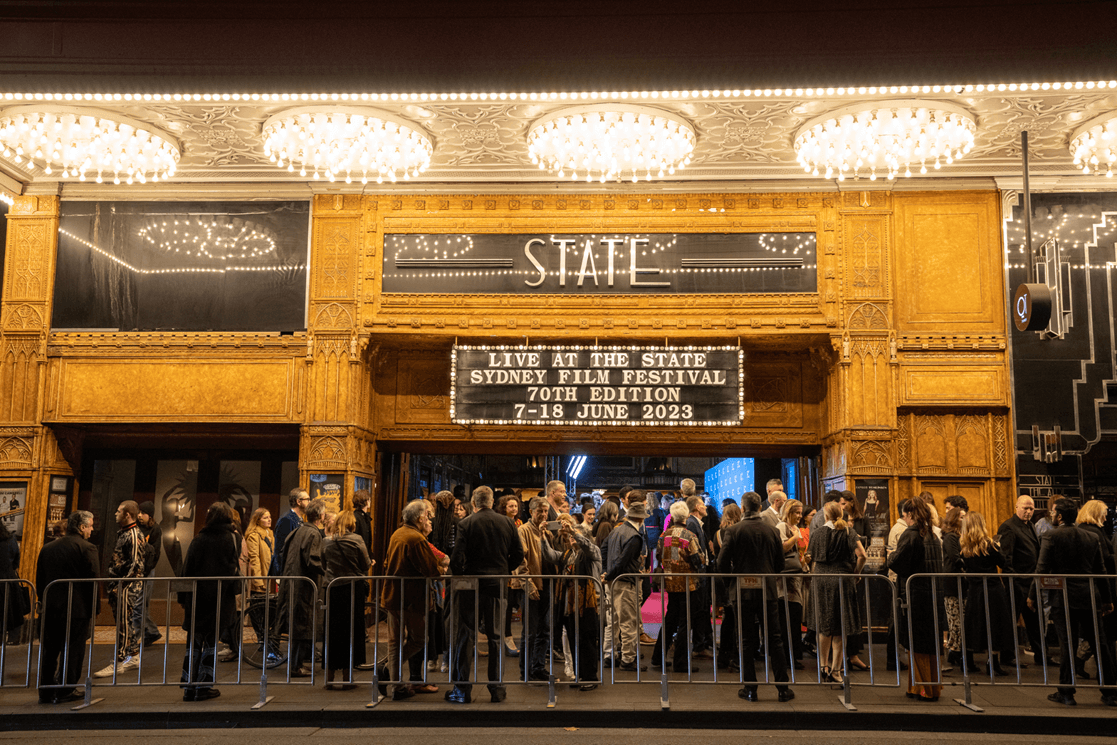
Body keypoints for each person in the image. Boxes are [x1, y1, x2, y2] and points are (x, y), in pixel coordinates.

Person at [445, 486, 525, 704]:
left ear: (474, 503)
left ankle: (462, 690)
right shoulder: (507, 523)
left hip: (471, 584)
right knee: (496, 637)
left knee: (466, 635)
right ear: (491, 502)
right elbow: (519, 553)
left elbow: (457, 557)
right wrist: (504, 570)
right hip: (498, 584)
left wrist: (463, 575)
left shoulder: (466, 523)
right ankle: (497, 689)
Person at [1032, 498, 1116, 706]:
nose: (1051, 516)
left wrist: (1032, 596)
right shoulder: (1090, 536)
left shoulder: (1050, 536)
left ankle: (1066, 692)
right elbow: (1100, 571)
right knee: (1100, 644)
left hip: (1063, 598)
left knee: (1067, 644)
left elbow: (1041, 570)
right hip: (1090, 596)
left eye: (1053, 513)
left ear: (1060, 516)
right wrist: (1107, 600)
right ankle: (1110, 692)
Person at [717, 491, 794, 703]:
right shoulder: (772, 530)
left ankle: (750, 688)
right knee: (775, 639)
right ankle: (783, 688)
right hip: (768, 591)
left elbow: (721, 564)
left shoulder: (733, 530)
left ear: (742, 509)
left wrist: (731, 581)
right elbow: (780, 564)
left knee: (746, 639)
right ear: (759, 508)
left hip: (742, 592)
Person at [882, 498, 945, 701]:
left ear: (909, 514)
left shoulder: (911, 533)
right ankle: (930, 687)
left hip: (916, 594)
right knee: (931, 644)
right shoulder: (933, 534)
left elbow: (899, 562)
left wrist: (890, 555)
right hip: (933, 593)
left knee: (916, 644)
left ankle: (922, 688)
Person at [177, 502, 241, 701]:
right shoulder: (233, 538)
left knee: (194, 641)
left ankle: (189, 685)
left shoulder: (199, 539)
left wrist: (182, 597)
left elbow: (187, 569)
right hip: (219, 597)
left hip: (197, 597)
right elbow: (233, 568)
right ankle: (204, 685)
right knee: (211, 641)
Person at [35, 510, 99, 704]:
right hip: (77, 609)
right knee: (73, 650)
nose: (92, 529)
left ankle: (45, 690)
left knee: (49, 651)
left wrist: (43, 601)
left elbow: (40, 579)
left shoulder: (48, 548)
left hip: (51, 607)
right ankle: (65, 690)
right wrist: (93, 609)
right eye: (90, 525)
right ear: (81, 527)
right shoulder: (87, 548)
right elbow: (93, 581)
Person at [382, 499, 441, 699]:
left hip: (392, 595)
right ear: (419, 518)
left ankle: (395, 683)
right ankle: (389, 669)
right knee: (419, 639)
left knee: (395, 641)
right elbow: (431, 569)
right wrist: (442, 568)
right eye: (427, 515)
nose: (428, 518)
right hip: (411, 598)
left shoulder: (397, 534)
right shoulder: (416, 539)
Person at [805, 501, 866, 685]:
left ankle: (823, 666)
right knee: (841, 627)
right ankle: (836, 670)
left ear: (824, 515)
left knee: (824, 624)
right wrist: (856, 572)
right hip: (843, 580)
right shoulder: (848, 531)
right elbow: (862, 555)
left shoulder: (817, 533)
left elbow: (810, 557)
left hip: (822, 580)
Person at [544, 519, 603, 690]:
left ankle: (591, 677)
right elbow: (550, 555)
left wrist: (574, 532)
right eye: (570, 537)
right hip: (570, 605)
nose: (571, 539)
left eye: (574, 537)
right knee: (573, 640)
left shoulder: (592, 552)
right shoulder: (568, 554)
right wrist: (542, 538)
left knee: (588, 640)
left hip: (588, 604)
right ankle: (580, 675)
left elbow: (588, 547)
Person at [650, 500, 703, 674]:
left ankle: (658, 656)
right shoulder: (689, 536)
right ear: (687, 516)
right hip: (688, 584)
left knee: (670, 620)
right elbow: (697, 560)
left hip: (671, 583)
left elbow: (665, 557)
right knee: (685, 623)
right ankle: (680, 662)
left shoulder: (664, 535)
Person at [94, 500, 146, 678]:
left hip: (126, 586)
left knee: (124, 623)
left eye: (119, 512)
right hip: (121, 585)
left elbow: (135, 565)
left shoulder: (132, 534)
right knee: (126, 623)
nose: (116, 514)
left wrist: (121, 584)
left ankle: (119, 660)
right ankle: (133, 656)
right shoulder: (125, 532)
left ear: (128, 515)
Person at [321, 509, 371, 690]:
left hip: (332, 589)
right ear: (352, 524)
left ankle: (329, 677)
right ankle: (347, 677)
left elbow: (323, 564)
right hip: (353, 589)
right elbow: (365, 564)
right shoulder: (356, 539)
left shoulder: (327, 541)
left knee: (332, 632)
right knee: (351, 632)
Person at [278, 497, 326, 676]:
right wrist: (326, 570)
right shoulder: (313, 534)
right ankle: (296, 667)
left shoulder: (297, 531)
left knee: (297, 626)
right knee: (301, 627)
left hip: (292, 583)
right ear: (320, 515)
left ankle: (296, 664)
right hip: (305, 587)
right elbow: (313, 561)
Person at [959, 512, 1011, 676]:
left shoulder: (964, 548)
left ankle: (967, 662)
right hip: (993, 589)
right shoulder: (990, 545)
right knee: (995, 625)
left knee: (973, 624)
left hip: (974, 591)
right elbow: (1003, 562)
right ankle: (993, 663)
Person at [514, 497, 559, 682]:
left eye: (545, 511)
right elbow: (520, 561)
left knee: (545, 630)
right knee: (530, 632)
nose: (543, 514)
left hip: (548, 584)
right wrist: (528, 585)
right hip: (532, 585)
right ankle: (525, 670)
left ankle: (538, 667)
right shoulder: (523, 531)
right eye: (539, 511)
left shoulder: (546, 531)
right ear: (531, 512)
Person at [602, 497, 648, 672]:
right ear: (641, 518)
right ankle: (628, 659)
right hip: (625, 582)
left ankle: (609, 655)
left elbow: (603, 549)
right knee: (628, 622)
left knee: (612, 621)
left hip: (612, 582)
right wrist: (611, 573)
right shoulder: (635, 536)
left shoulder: (616, 530)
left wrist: (606, 573)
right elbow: (623, 561)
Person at [996, 495, 1043, 668]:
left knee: (1035, 621)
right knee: (1011, 621)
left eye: (1031, 509)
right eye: (1025, 508)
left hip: (1031, 582)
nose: (1029, 512)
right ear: (1016, 507)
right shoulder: (1009, 527)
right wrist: (1013, 579)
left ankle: (1040, 654)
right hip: (1016, 582)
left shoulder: (1030, 526)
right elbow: (1006, 558)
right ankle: (1007, 656)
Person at [1074, 500, 1117, 681]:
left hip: (1096, 590)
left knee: (1102, 634)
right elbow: (1102, 565)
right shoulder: (1093, 533)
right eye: (1104, 513)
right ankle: (1107, 676)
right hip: (1098, 590)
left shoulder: (1090, 531)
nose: (1107, 517)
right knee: (1103, 634)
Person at [777, 499, 807, 668]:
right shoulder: (782, 527)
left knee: (795, 619)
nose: (799, 516)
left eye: (800, 513)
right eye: (796, 512)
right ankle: (786, 658)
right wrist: (796, 536)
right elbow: (783, 548)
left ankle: (794, 656)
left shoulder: (797, 529)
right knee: (787, 620)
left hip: (797, 578)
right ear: (788, 512)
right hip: (785, 581)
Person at [940, 506, 965, 667]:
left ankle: (957, 650)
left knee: (959, 618)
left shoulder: (960, 536)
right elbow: (955, 558)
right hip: (951, 583)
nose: (965, 519)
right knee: (954, 619)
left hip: (959, 583)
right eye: (962, 517)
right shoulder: (950, 537)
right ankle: (954, 651)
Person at [136, 501, 162, 648]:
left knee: (141, 603)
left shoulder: (155, 529)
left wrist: (147, 570)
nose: (140, 516)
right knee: (139, 604)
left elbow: (156, 553)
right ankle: (151, 631)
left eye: (143, 513)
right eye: (139, 512)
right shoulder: (137, 528)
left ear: (150, 515)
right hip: (137, 570)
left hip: (147, 571)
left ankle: (145, 633)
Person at [273, 488, 309, 576]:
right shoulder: (287, 519)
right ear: (298, 501)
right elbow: (280, 548)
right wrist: (282, 573)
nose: (309, 502)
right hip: (288, 571)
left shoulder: (299, 519)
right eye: (307, 499)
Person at [243, 507, 274, 595]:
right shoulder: (254, 536)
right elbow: (254, 559)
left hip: (267, 576)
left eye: (269, 517)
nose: (269, 520)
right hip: (259, 580)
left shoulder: (270, 535)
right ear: (258, 520)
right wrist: (258, 580)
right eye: (265, 518)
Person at [352, 490, 373, 556]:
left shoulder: (365, 517)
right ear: (365, 501)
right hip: (358, 556)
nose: (370, 502)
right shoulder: (356, 517)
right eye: (369, 500)